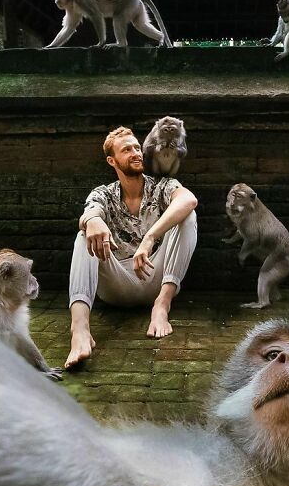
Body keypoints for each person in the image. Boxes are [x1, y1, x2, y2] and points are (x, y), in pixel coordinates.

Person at [66, 126, 198, 368]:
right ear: (112, 160)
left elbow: (188, 199)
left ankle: (162, 306)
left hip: (156, 276)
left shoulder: (162, 186)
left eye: (137, 148)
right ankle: (80, 329)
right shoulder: (103, 194)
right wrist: (93, 221)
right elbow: (89, 212)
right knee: (83, 235)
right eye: (127, 150)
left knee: (188, 216)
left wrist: (150, 238)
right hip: (116, 284)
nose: (136, 153)